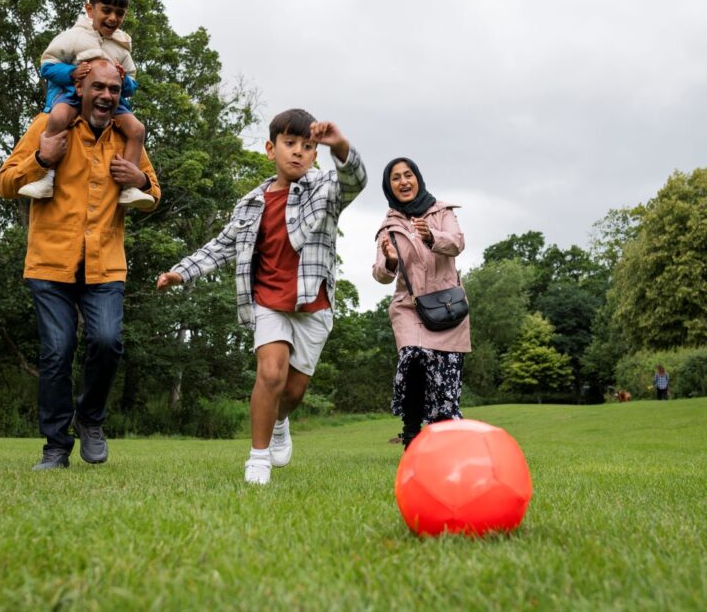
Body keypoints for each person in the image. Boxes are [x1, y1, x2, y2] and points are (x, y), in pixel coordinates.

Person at [156, 109, 367, 485]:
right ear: (271, 149)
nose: (298, 152)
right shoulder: (250, 204)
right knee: (270, 373)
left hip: (312, 305)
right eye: (289, 144)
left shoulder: (324, 189)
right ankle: (257, 458)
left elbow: (354, 181)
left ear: (316, 154)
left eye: (307, 146)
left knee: (294, 391)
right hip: (269, 301)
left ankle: (281, 420)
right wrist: (181, 271)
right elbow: (221, 246)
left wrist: (341, 146)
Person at [0, 58, 161, 470]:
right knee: (57, 351)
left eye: (114, 90)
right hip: (50, 262)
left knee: (107, 342)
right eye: (99, 87)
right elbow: (5, 183)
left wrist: (138, 180)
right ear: (81, 88)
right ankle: (55, 447)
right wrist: (41, 158)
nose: (107, 95)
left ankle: (90, 418)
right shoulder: (48, 125)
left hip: (105, 263)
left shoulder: (128, 137)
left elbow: (153, 193)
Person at [17, 0, 156, 211]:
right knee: (58, 117)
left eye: (119, 13)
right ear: (90, 9)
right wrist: (72, 73)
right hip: (71, 96)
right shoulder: (73, 37)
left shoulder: (121, 47)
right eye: (107, 10)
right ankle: (46, 177)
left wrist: (140, 180)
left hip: (117, 107)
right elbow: (47, 66)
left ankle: (128, 189)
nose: (113, 18)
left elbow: (132, 85)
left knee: (138, 129)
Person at [373, 158, 471, 450]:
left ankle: (442, 441)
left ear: (417, 178)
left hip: (447, 305)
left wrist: (432, 237)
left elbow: (457, 243)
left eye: (408, 175)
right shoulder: (388, 226)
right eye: (396, 178)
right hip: (409, 306)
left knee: (445, 380)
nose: (403, 181)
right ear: (389, 186)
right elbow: (379, 273)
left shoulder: (442, 212)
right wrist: (390, 260)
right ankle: (412, 434)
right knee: (413, 359)